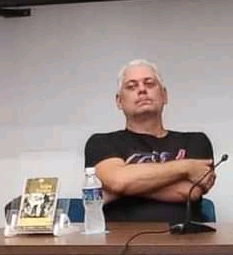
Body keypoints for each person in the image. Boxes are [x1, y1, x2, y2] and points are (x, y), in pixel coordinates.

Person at [84, 60, 215, 224]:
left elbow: (191, 191)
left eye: (149, 84)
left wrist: (119, 189)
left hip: (184, 237)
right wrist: (185, 167)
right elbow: (118, 181)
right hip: (119, 239)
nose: (142, 90)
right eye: (131, 86)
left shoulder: (195, 140)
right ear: (119, 101)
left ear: (164, 95)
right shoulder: (101, 142)